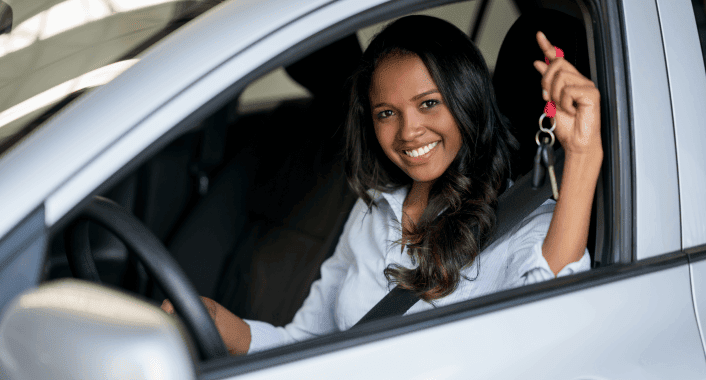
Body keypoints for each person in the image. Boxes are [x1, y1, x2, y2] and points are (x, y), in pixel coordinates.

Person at [162, 15, 601, 356]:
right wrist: (218, 322)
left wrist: (583, 155)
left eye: (429, 104)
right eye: (386, 113)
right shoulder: (376, 207)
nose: (409, 131)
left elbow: (557, 323)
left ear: (467, 100)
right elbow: (309, 343)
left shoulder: (523, 223)